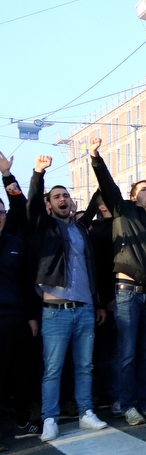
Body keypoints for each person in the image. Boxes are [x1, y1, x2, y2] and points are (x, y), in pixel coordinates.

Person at [89, 136, 146, 426]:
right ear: (132, 195)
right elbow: (108, 185)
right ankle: (127, 405)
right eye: (143, 189)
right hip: (126, 293)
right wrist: (95, 157)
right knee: (126, 352)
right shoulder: (124, 212)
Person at [28, 155, 108, 442]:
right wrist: (39, 173)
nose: (63, 199)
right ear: (50, 204)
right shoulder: (45, 226)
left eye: (67, 196)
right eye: (57, 197)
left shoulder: (81, 229)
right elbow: (33, 202)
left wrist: (97, 303)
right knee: (53, 368)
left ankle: (86, 412)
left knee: (85, 365)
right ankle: (50, 417)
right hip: (55, 310)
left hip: (85, 309)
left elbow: (90, 268)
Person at [0, 156, 42, 441]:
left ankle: (23, 421)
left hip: (18, 317)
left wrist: (6, 174)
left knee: (23, 373)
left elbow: (18, 203)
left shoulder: (14, 241)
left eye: (0, 211)